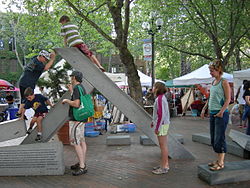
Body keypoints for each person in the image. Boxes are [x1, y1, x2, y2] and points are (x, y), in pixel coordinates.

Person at [201, 59, 231, 171]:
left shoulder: (224, 82)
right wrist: (204, 109)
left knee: (220, 138)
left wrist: (221, 111)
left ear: (218, 70)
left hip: (221, 114)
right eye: (210, 70)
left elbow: (228, 99)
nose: (210, 73)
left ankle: (221, 162)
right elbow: (211, 98)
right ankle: (218, 160)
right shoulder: (213, 82)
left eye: (212, 70)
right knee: (214, 139)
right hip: (213, 114)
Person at [62, 71, 88, 176]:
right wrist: (71, 91)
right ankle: (81, 162)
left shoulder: (77, 88)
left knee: (76, 142)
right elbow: (79, 99)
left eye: (72, 77)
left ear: (75, 78)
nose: (71, 79)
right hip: (82, 118)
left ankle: (82, 166)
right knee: (81, 141)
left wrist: (67, 100)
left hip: (76, 119)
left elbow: (76, 104)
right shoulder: (81, 88)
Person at [17, 50, 56, 118]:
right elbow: (46, 68)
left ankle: (19, 113)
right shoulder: (38, 64)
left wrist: (49, 54)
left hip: (22, 81)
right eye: (45, 59)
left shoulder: (34, 58)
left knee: (24, 99)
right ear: (41, 56)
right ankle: (22, 115)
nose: (45, 61)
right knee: (29, 98)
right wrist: (52, 59)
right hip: (28, 83)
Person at [151, 82, 170, 175]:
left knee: (163, 146)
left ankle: (164, 167)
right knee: (164, 146)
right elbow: (159, 114)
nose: (153, 88)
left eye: (154, 86)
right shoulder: (162, 98)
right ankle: (165, 165)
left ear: (158, 88)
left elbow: (160, 114)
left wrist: (157, 127)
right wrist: (153, 122)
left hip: (162, 125)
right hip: (163, 124)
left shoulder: (160, 99)